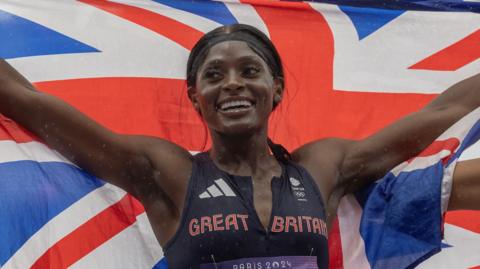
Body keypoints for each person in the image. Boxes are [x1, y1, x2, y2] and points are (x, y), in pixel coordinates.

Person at [0, 24, 479, 268]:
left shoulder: (322, 167)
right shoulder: (167, 172)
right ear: (195, 96)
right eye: (214, 75)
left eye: (249, 71)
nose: (232, 84)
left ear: (276, 88)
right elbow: (29, 102)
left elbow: (438, 114)